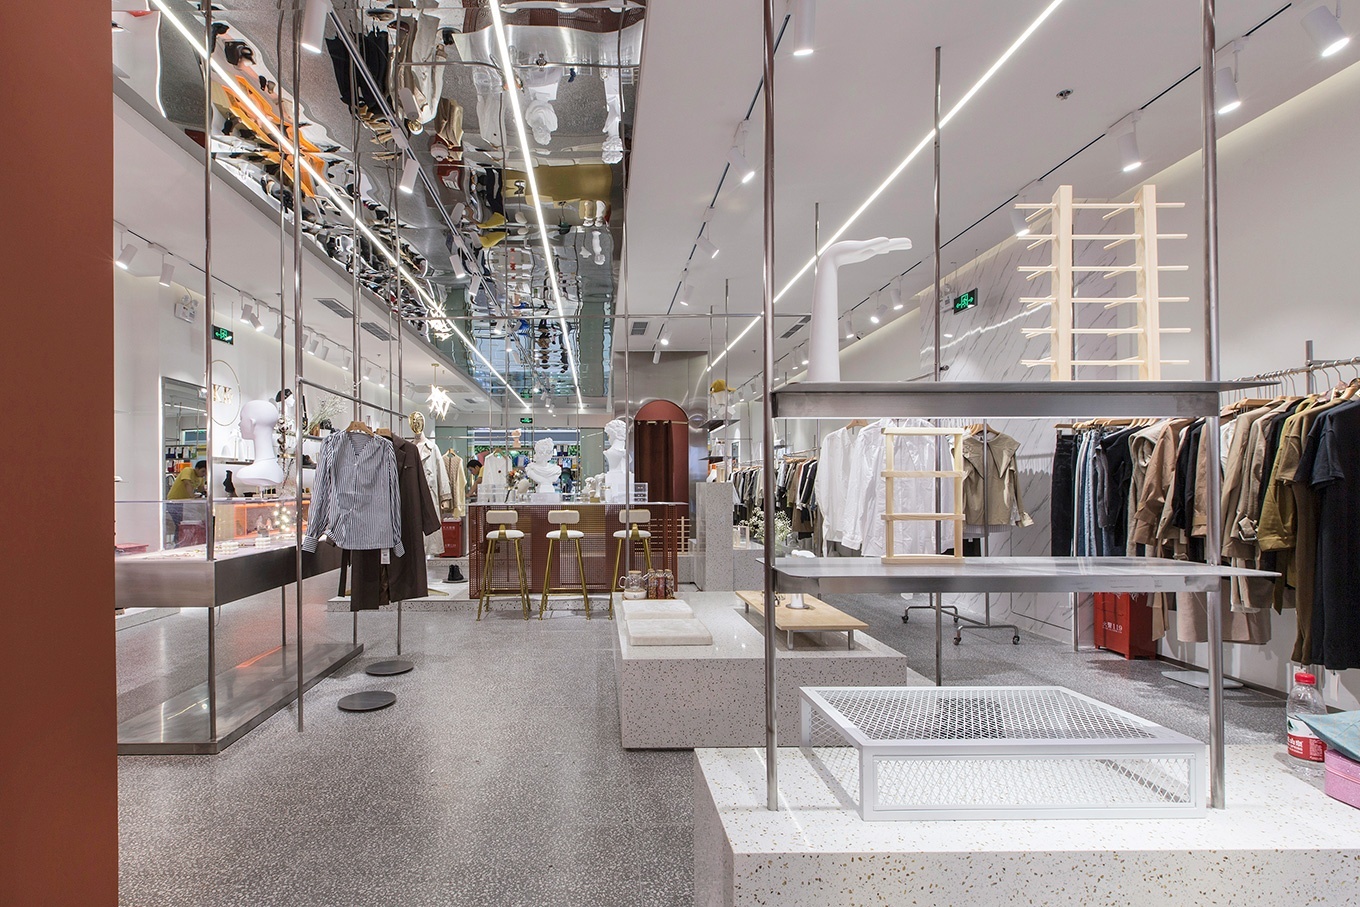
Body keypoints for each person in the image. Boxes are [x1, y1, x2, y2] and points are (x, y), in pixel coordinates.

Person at [167, 460, 207, 547]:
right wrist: (192, 496)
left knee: (186, 525)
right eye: (203, 471)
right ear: (196, 468)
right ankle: (178, 544)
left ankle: (184, 544)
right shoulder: (187, 470)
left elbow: (201, 489)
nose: (204, 474)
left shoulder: (201, 478)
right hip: (175, 502)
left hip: (186, 504)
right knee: (179, 525)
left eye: (206, 472)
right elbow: (187, 483)